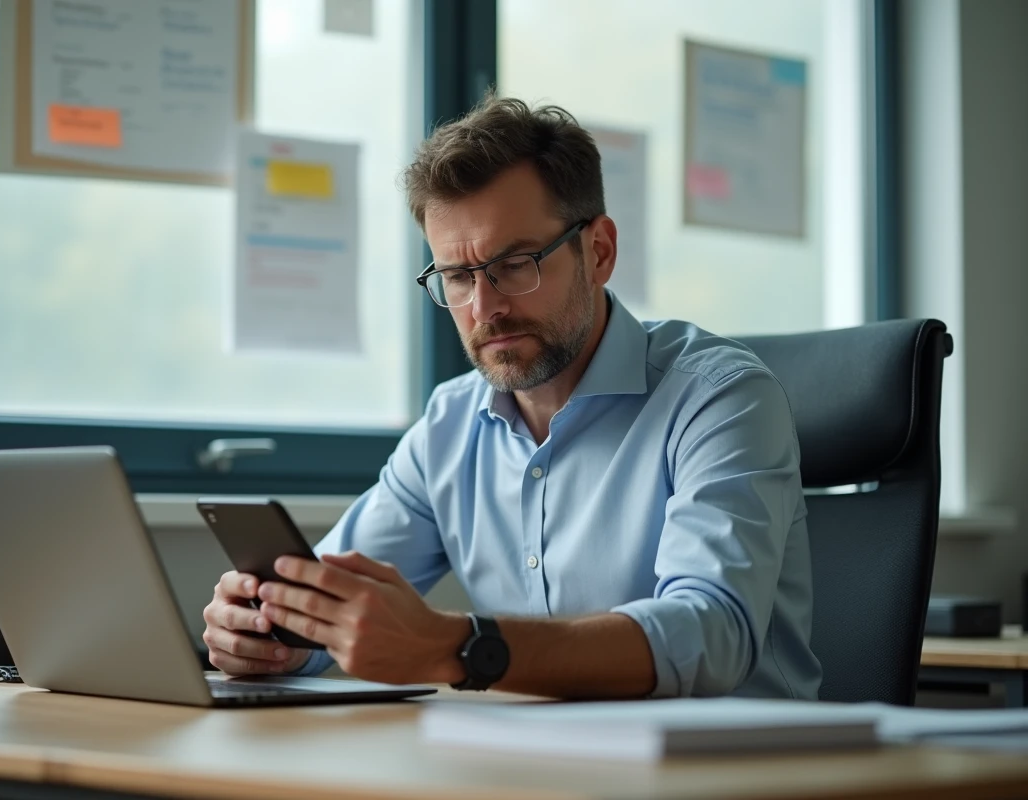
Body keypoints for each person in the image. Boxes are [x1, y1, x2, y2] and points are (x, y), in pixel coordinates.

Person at [203, 94, 822, 700]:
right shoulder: (449, 426)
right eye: (457, 277)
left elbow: (711, 634)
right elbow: (327, 607)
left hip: (729, 770)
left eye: (517, 263)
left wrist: (461, 647)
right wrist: (270, 633)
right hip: (532, 766)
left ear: (599, 251)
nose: (485, 307)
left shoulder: (720, 399)